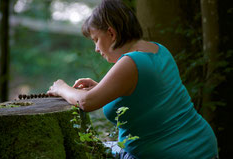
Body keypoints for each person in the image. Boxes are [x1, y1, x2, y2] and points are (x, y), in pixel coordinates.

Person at [47, 0, 218, 158]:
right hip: (202, 145)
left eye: (96, 40)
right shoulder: (158, 49)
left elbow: (86, 102)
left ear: (111, 33)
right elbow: (148, 96)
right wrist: (102, 88)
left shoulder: (130, 62)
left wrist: (61, 87)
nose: (96, 49)